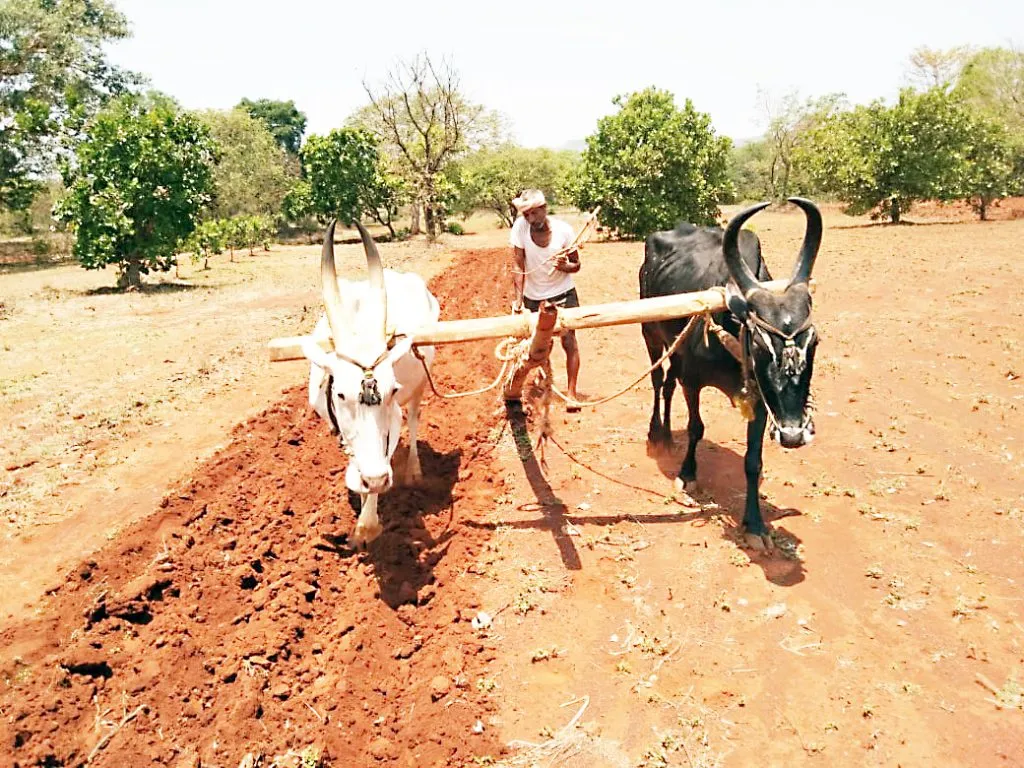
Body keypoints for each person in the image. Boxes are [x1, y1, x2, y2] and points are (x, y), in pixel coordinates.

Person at [509, 189, 583, 409]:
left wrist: (565, 266)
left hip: (563, 293)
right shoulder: (519, 229)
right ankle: (546, 380)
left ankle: (571, 394)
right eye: (526, 215)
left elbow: (576, 265)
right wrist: (518, 300)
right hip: (534, 297)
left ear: (544, 209)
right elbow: (518, 265)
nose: (531, 219)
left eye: (534, 213)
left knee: (569, 342)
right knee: (541, 345)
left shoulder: (564, 231)